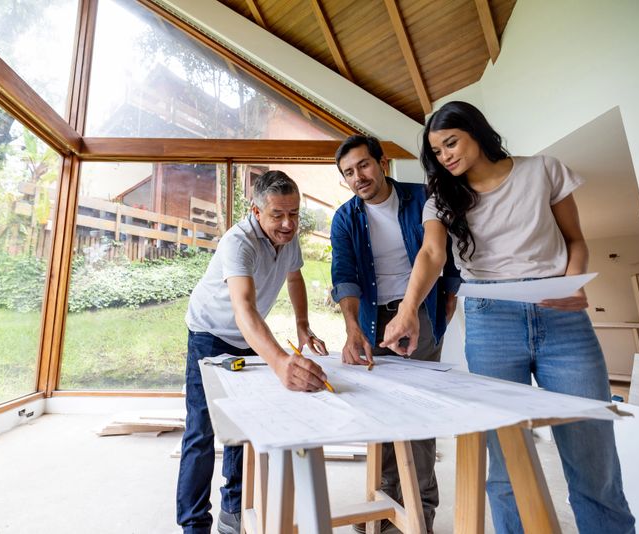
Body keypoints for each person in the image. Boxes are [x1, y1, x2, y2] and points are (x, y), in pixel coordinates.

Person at [381, 101, 635, 534]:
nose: (446, 157)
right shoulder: (442, 196)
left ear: (476, 132)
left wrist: (573, 283)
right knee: (506, 463)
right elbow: (431, 253)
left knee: (594, 458)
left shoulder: (544, 170)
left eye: (451, 143)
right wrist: (407, 312)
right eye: (437, 152)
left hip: (559, 315)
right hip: (490, 318)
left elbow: (575, 240)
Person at [177, 170, 329, 534]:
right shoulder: (238, 242)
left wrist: (302, 323)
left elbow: (294, 276)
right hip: (210, 333)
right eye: (278, 214)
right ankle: (194, 525)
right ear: (256, 211)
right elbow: (244, 308)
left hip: (247, 336)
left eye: (293, 213)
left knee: (243, 425)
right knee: (203, 430)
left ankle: (234, 512)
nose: (288, 223)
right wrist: (279, 363)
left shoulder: (287, 236)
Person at [330, 135, 460, 533]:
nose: (358, 177)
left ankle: (420, 515)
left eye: (364, 166)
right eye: (349, 173)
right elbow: (344, 276)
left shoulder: (423, 197)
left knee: (418, 415)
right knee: (379, 415)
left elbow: (447, 257)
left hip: (417, 315)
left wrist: (444, 304)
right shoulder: (345, 218)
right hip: (371, 321)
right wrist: (352, 329)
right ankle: (385, 510)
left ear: (382, 162)